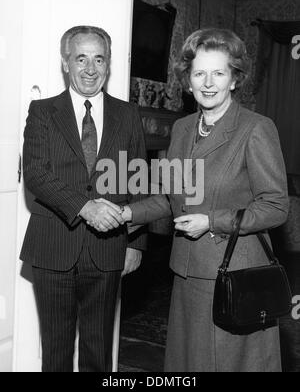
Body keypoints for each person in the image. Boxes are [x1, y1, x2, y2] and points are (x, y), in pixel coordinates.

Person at [118, 28, 289, 372]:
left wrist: (212, 221)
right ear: (188, 79)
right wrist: (126, 212)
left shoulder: (256, 128)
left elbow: (275, 206)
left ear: (234, 80)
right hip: (186, 274)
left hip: (234, 277)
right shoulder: (181, 129)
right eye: (199, 73)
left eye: (218, 73)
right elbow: (173, 198)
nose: (208, 83)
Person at [20, 25, 147, 372]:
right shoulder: (43, 112)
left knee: (99, 352)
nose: (90, 69)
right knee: (56, 352)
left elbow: (139, 181)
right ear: (65, 62)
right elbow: (35, 174)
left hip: (108, 250)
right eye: (81, 58)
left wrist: (136, 242)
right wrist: (84, 207)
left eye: (99, 59)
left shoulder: (128, 114)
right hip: (53, 248)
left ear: (108, 64)